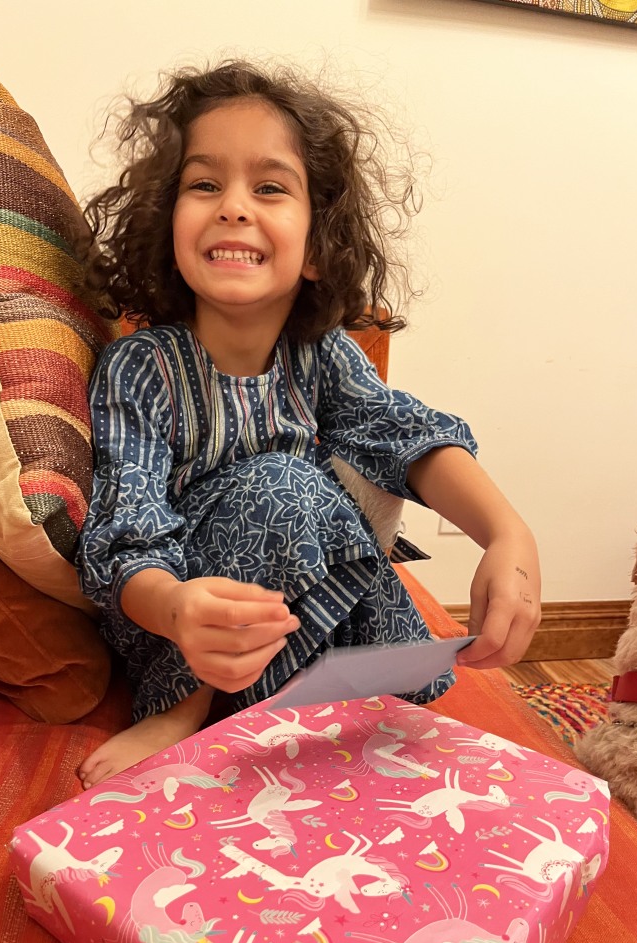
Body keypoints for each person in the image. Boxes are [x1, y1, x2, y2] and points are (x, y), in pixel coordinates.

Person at [75, 60, 541, 789]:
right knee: (286, 484)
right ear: (168, 223)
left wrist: (508, 533)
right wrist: (173, 609)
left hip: (295, 614)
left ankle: (332, 705)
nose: (233, 206)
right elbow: (126, 527)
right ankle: (191, 711)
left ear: (318, 245)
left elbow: (402, 433)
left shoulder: (321, 355)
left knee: (331, 517)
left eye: (268, 187)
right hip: (184, 631)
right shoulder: (142, 368)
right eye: (204, 184)